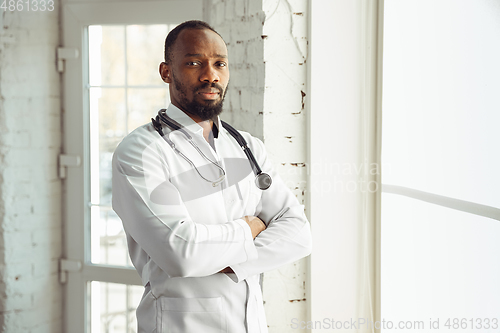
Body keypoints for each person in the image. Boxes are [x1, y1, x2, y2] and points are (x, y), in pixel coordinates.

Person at [112, 20, 312, 333]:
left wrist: (226, 259)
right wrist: (251, 228)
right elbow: (181, 254)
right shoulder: (141, 151)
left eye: (220, 63)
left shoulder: (247, 146)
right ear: (167, 72)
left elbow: (299, 234)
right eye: (194, 63)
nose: (210, 75)